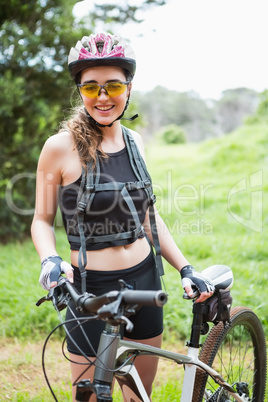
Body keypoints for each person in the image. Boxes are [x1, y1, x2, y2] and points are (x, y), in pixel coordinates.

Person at [31, 32, 214, 401]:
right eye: (91, 87)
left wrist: (185, 268)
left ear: (128, 88)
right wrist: (49, 259)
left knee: (138, 395)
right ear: (80, 91)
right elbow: (41, 220)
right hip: (87, 289)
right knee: (93, 396)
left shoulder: (135, 142)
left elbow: (148, 216)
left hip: (143, 281)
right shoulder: (59, 148)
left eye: (113, 85)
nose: (102, 97)